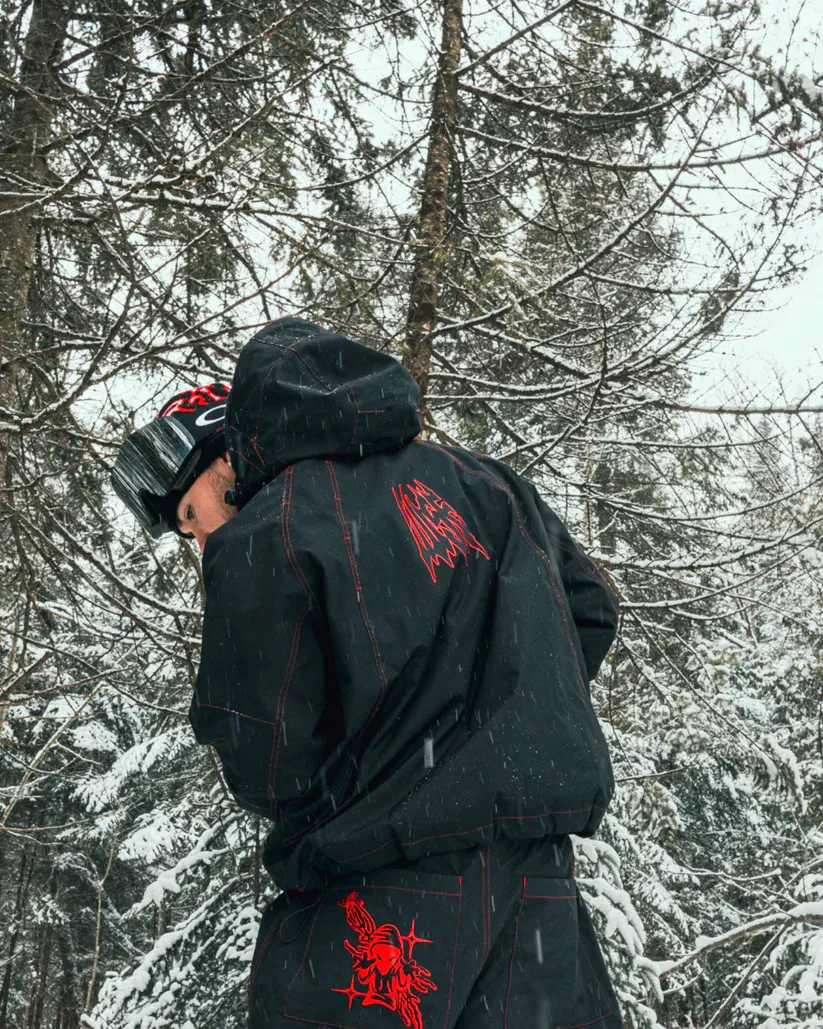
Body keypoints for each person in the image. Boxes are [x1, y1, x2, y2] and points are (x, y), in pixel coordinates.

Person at [112, 317, 623, 1029]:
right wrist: (493, 716)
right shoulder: (488, 484)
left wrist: (382, 773)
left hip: (380, 902)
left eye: (192, 517)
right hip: (539, 899)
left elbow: (263, 753)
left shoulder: (269, 529)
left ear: (226, 460)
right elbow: (590, 609)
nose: (200, 540)